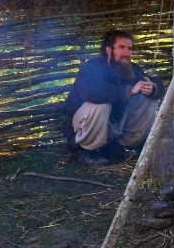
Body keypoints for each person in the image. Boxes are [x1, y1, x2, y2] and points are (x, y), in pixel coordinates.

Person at [62, 29, 165, 166]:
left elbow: (154, 83)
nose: (127, 53)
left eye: (130, 49)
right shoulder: (93, 66)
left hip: (113, 125)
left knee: (149, 99)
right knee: (101, 104)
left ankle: (118, 146)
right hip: (81, 128)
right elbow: (91, 92)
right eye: (122, 48)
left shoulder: (132, 70)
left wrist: (152, 87)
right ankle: (88, 151)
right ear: (109, 50)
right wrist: (128, 91)